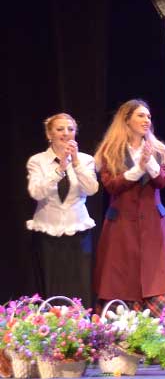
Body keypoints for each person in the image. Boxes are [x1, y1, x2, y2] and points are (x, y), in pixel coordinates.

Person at [92, 100, 165, 316]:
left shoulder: (157, 149)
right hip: (121, 225)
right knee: (121, 278)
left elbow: (163, 181)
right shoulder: (111, 151)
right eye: (141, 116)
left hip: (152, 225)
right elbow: (111, 185)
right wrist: (137, 170)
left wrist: (148, 163)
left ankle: (157, 321)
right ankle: (119, 322)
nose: (146, 120)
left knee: (155, 277)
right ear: (126, 120)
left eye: (148, 116)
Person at [25, 113, 99, 307]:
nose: (66, 133)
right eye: (60, 129)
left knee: (80, 283)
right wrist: (59, 170)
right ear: (49, 134)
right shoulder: (37, 161)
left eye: (70, 129)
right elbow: (36, 192)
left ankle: (81, 321)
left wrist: (75, 163)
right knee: (52, 285)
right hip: (48, 232)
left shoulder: (86, 160)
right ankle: (52, 322)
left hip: (78, 231)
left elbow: (92, 189)